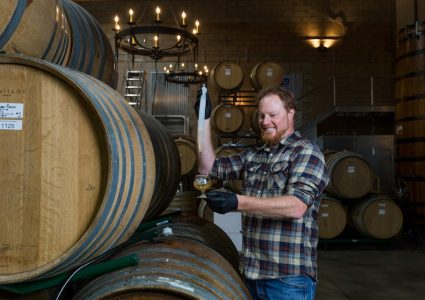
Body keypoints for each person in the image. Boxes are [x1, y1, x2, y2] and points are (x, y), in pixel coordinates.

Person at [194, 86, 329, 300]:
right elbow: (208, 168)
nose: (265, 122)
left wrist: (237, 202)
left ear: (290, 114)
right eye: (262, 116)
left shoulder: (306, 152)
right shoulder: (253, 156)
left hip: (287, 279)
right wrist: (204, 119)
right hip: (251, 275)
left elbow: (296, 206)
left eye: (273, 115)